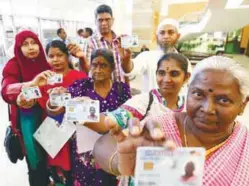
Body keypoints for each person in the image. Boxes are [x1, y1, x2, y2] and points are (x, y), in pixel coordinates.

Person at [93, 56, 249, 186]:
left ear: (243, 104)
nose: (208, 109)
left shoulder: (244, 144)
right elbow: (105, 141)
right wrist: (124, 162)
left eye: (223, 100)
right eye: (198, 94)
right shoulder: (159, 126)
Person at [47, 48, 131, 186]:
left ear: (112, 68)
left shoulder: (121, 90)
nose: (98, 70)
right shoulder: (81, 86)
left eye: (103, 65)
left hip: (112, 148)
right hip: (85, 152)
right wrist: (55, 97)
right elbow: (55, 110)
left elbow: (129, 116)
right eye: (94, 65)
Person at [81, 52, 190, 135]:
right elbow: (108, 123)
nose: (167, 79)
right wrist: (77, 110)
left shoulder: (190, 105)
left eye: (174, 74)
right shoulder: (144, 101)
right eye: (161, 73)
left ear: (186, 77)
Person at [1, 30, 51, 186]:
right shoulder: (13, 65)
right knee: (35, 159)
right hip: (28, 120)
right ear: (18, 48)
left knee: (54, 155)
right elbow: (6, 89)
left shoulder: (46, 61)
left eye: (34, 42)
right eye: (25, 44)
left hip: (49, 115)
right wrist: (26, 87)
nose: (31, 48)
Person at [38, 40, 87, 185]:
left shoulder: (79, 77)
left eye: (59, 55)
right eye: (51, 56)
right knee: (60, 172)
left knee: (77, 168)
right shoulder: (44, 79)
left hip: (77, 131)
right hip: (55, 131)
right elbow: (43, 104)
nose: (55, 59)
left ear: (67, 56)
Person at [121, 18, 192, 93]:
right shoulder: (147, 57)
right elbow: (129, 70)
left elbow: (189, 86)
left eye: (171, 32)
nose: (166, 36)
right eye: (162, 33)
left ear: (178, 36)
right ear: (157, 36)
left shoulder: (184, 61)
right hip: (152, 104)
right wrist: (126, 58)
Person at [71, 4, 131, 83]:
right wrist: (82, 59)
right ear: (95, 21)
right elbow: (87, 70)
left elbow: (127, 71)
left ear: (112, 20)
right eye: (100, 20)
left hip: (120, 88)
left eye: (107, 19)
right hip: (100, 91)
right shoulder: (90, 42)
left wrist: (127, 57)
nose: (104, 23)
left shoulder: (120, 41)